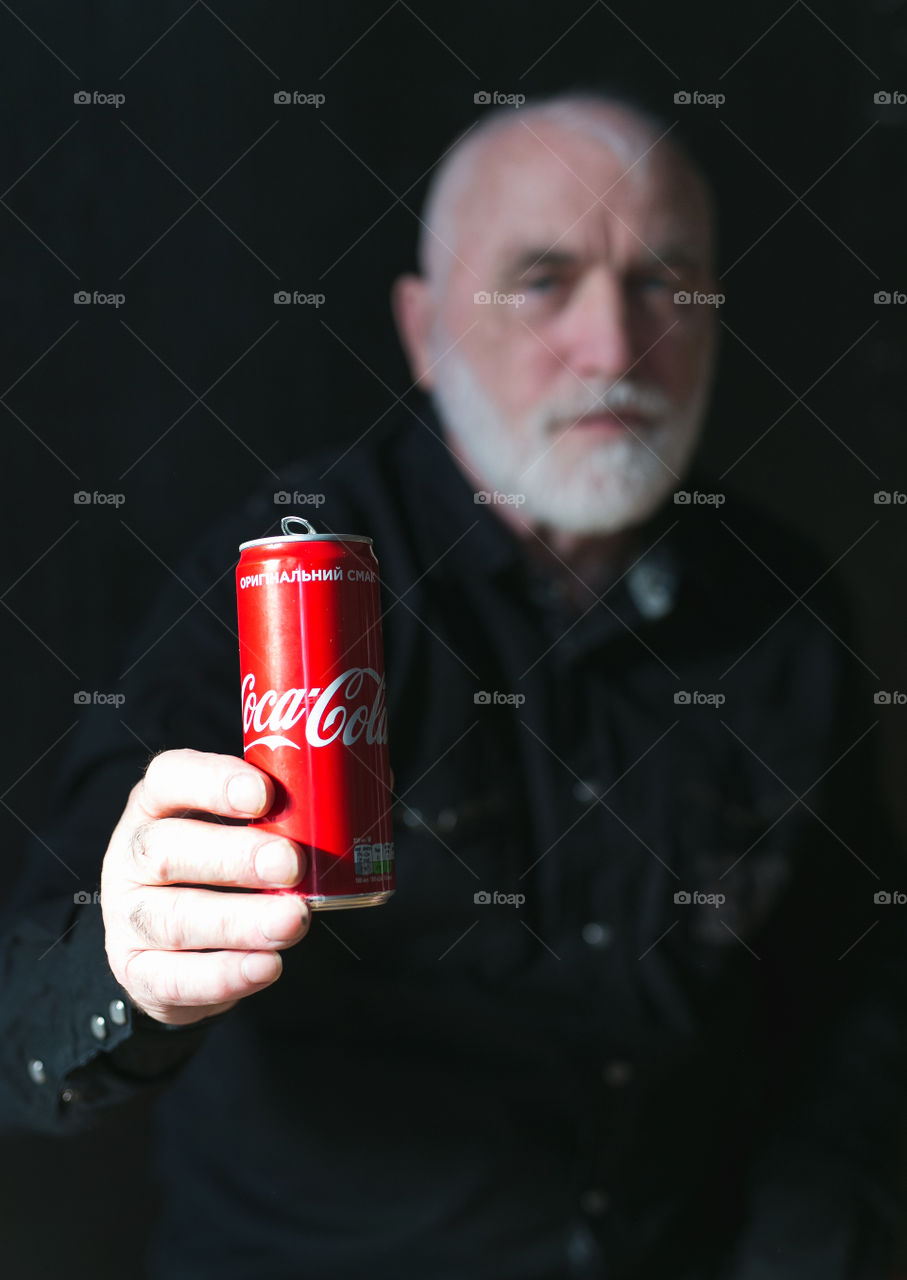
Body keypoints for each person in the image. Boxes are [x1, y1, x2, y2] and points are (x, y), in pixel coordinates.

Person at [1, 90, 905, 1280]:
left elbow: (851, 990)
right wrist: (129, 959)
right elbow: (24, 1027)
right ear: (427, 331)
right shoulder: (289, 572)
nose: (613, 345)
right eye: (543, 278)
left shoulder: (782, 603)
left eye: (664, 281)